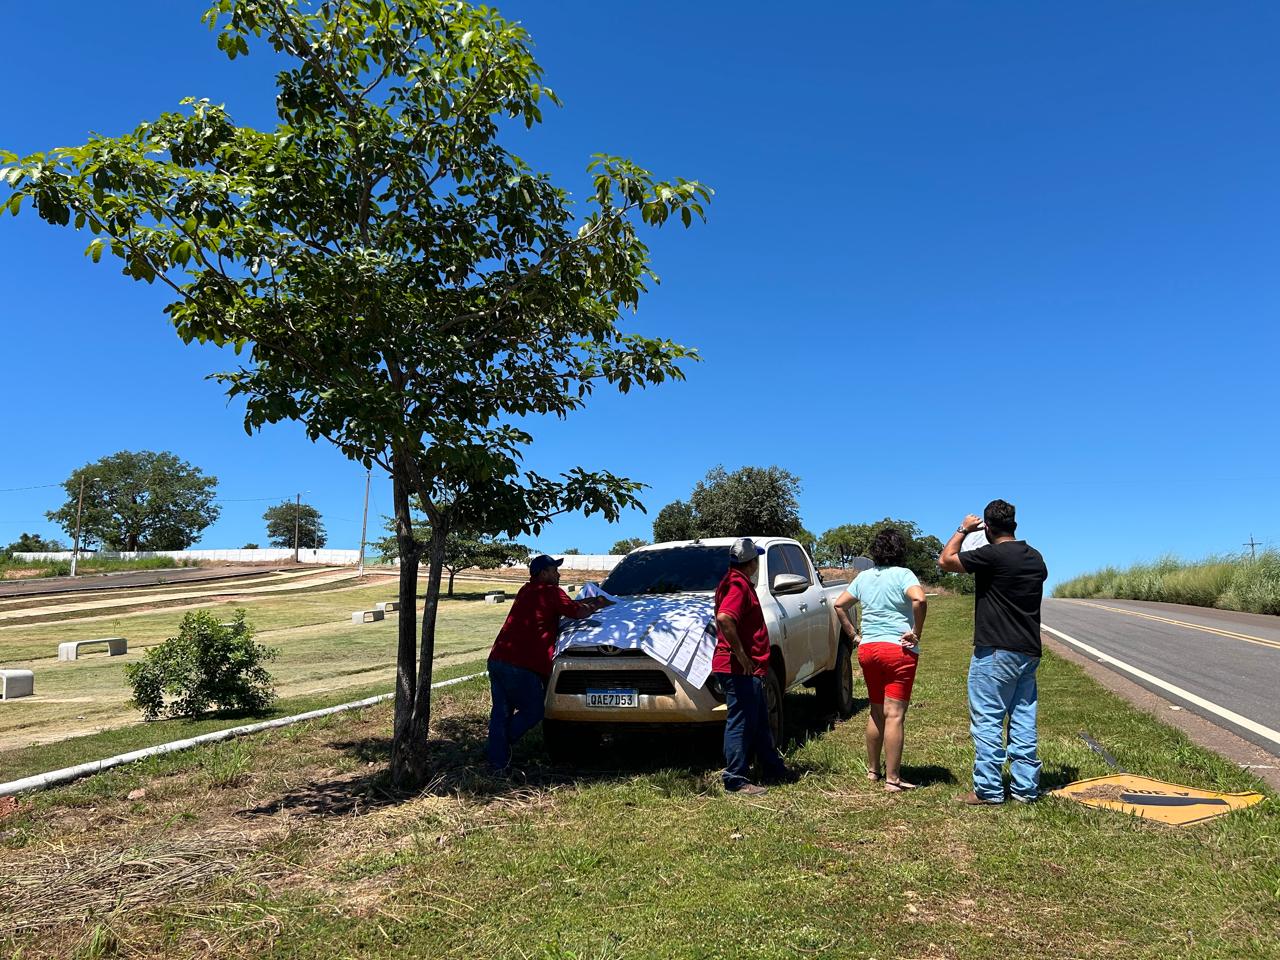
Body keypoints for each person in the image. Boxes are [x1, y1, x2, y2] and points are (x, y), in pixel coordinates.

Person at [939, 499, 1048, 805]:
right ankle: (1026, 789)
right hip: (1028, 650)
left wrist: (963, 530)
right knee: (1024, 719)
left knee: (988, 719)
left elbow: (946, 561)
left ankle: (988, 790)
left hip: (996, 650)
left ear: (987, 527)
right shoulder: (1035, 558)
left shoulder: (991, 555)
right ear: (1014, 523)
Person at [486, 554, 610, 770]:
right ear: (543, 573)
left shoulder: (526, 590)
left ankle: (495, 760)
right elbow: (577, 612)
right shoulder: (551, 592)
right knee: (534, 711)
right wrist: (597, 603)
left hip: (498, 659)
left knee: (500, 712)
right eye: (554, 570)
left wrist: (581, 602)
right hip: (522, 665)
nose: (559, 574)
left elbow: (566, 605)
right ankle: (501, 746)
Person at [832, 527, 927, 793]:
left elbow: (839, 605)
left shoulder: (864, 577)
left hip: (869, 649)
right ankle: (893, 778)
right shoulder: (903, 574)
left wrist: (854, 635)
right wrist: (916, 632)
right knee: (894, 714)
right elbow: (919, 599)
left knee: (876, 710)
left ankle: (873, 770)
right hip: (897, 650)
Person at [712, 537, 793, 796]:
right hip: (738, 668)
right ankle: (735, 778)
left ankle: (772, 767)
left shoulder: (733, 581)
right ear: (753, 562)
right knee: (742, 721)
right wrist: (743, 656)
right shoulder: (737, 585)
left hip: (747, 669)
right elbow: (725, 618)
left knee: (758, 721)